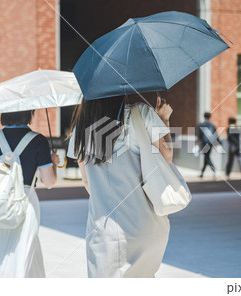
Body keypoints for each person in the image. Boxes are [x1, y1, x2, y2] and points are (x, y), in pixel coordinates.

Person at [68, 96, 173, 277]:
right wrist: (163, 120)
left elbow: (87, 181)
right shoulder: (141, 113)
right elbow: (166, 157)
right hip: (145, 225)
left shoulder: (81, 127)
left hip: (103, 231)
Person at [0, 110, 59, 277]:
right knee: (23, 250)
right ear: (28, 113)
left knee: (3, 253)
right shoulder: (38, 140)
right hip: (25, 199)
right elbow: (49, 182)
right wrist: (54, 163)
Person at [196, 112, 220, 178]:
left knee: (207, 157)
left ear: (204, 116)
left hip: (204, 143)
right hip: (210, 143)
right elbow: (215, 134)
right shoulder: (212, 125)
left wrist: (196, 144)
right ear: (210, 117)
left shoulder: (200, 124)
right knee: (206, 157)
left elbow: (198, 135)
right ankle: (202, 173)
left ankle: (214, 171)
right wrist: (216, 144)